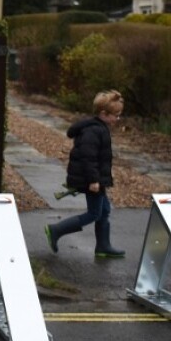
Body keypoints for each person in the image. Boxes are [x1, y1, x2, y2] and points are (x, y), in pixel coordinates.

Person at [44, 90, 126, 258]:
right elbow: (88, 158)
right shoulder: (94, 131)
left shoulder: (98, 128)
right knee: (94, 213)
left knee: (104, 210)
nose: (118, 119)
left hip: (97, 179)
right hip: (92, 180)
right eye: (116, 115)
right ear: (104, 113)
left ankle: (103, 246)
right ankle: (56, 230)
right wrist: (94, 180)